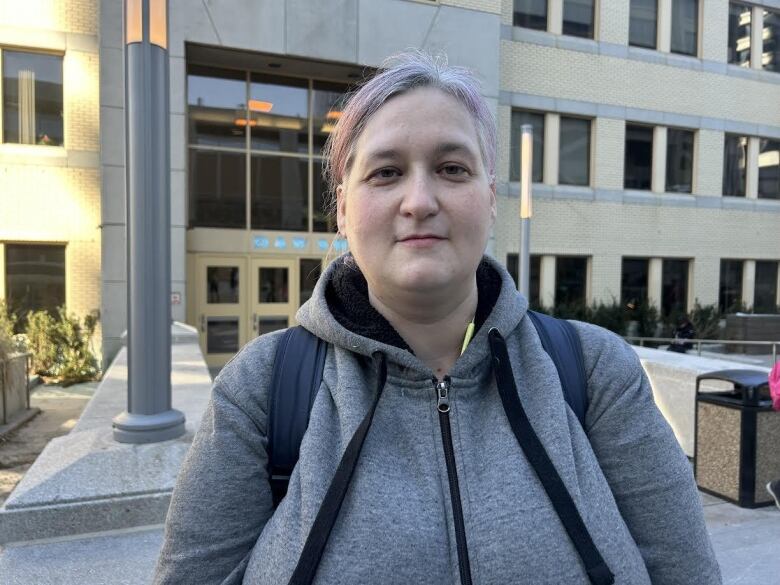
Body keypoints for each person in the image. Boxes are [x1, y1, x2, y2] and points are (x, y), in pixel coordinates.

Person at [153, 52, 721, 584]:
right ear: (343, 210)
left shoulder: (595, 371)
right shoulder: (262, 388)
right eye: (385, 172)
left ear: (491, 198)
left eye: (452, 168)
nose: (420, 200)